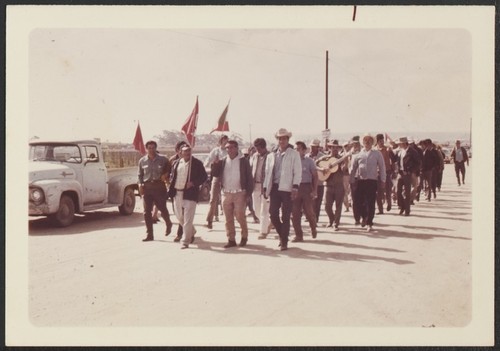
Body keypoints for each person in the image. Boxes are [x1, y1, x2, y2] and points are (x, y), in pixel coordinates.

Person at [263, 128, 302, 251]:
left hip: (287, 188)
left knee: (285, 216)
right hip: (274, 188)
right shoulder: (271, 155)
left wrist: (295, 187)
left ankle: (284, 242)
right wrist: (265, 187)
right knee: (273, 214)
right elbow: (267, 172)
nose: (282, 141)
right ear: (277, 140)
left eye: (284, 138)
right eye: (280, 138)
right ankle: (283, 236)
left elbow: (298, 171)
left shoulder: (294, 154)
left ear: (288, 139)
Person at [212, 140, 254, 248]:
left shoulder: (243, 161)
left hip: (240, 193)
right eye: (227, 148)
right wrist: (215, 164)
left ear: (236, 148)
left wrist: (248, 193)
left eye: (231, 147)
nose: (229, 150)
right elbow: (215, 174)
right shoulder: (223, 161)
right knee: (228, 218)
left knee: (240, 216)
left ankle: (244, 236)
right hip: (226, 193)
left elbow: (250, 178)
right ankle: (231, 239)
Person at [169, 144, 208, 249]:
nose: (187, 153)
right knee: (179, 216)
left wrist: (193, 183)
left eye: (189, 151)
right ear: (180, 152)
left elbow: (204, 177)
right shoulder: (176, 163)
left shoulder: (197, 163)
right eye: (184, 151)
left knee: (188, 219)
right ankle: (192, 230)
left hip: (190, 194)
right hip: (177, 193)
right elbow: (172, 176)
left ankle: (185, 240)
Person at [137, 140, 173, 242]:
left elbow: (170, 169)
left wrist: (166, 174)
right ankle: (150, 235)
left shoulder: (163, 159)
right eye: (149, 148)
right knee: (146, 212)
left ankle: (168, 223)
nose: (151, 150)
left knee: (162, 209)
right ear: (146, 148)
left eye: (153, 148)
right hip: (147, 188)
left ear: (156, 148)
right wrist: (140, 185)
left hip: (159, 187)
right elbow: (140, 175)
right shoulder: (142, 161)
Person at [349, 134, 386, 232]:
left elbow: (382, 167)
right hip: (360, 181)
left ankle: (369, 222)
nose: (367, 142)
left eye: (369, 140)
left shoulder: (377, 154)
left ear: (372, 142)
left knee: (370, 202)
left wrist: (383, 180)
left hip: (372, 181)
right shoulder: (359, 154)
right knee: (358, 201)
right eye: (365, 140)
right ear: (363, 142)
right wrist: (351, 180)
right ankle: (363, 217)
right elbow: (353, 168)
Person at [291, 141, 318, 242]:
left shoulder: (309, 161)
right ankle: (299, 235)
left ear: (304, 150)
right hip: (295, 188)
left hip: (306, 188)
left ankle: (313, 227)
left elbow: (315, 176)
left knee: (309, 211)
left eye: (298, 149)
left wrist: (315, 190)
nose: (296, 151)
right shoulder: (291, 161)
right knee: (295, 213)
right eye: (295, 149)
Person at [317, 139, 347, 231]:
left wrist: (345, 162)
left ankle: (335, 224)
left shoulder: (341, 158)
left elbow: (344, 170)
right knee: (327, 206)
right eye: (332, 147)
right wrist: (322, 168)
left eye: (336, 147)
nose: (334, 149)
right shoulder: (324, 158)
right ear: (329, 148)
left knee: (338, 206)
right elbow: (315, 164)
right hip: (328, 185)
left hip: (339, 185)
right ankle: (331, 219)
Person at [250, 138, 272, 239]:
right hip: (255, 185)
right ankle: (268, 223)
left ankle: (263, 231)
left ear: (263, 147)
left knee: (264, 210)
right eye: (256, 148)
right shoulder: (254, 156)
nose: (257, 150)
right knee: (256, 209)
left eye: (258, 148)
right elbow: (251, 169)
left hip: (266, 186)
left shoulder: (271, 156)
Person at [205, 135, 228, 228]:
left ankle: (229, 220)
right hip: (217, 176)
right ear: (220, 141)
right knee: (213, 199)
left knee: (227, 199)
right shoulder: (216, 151)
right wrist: (213, 162)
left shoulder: (229, 151)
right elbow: (207, 161)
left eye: (227, 141)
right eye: (224, 141)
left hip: (227, 177)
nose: (225, 143)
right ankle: (209, 220)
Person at [395, 137, 420, 216]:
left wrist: (410, 171)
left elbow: (418, 163)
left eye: (400, 143)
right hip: (401, 173)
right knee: (397, 191)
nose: (399, 145)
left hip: (408, 174)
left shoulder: (412, 152)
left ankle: (407, 210)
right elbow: (398, 162)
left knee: (407, 192)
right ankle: (402, 206)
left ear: (404, 143)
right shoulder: (400, 151)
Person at [169, 140, 188, 242]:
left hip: (187, 193)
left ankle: (181, 234)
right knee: (177, 213)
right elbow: (167, 174)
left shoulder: (191, 161)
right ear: (177, 150)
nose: (183, 152)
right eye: (181, 149)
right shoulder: (172, 161)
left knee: (185, 213)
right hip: (175, 191)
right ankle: (190, 230)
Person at [306, 139, 326, 222]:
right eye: (311, 146)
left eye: (314, 147)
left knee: (317, 202)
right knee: (309, 201)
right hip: (308, 182)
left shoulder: (323, 157)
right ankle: (309, 216)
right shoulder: (307, 156)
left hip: (319, 182)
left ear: (317, 147)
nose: (312, 148)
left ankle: (315, 218)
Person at [375, 133, 395, 214]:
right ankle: (380, 209)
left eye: (382, 140)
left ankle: (389, 203)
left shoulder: (387, 149)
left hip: (387, 172)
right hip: (377, 173)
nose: (382, 142)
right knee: (378, 192)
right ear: (377, 142)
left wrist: (394, 171)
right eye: (380, 141)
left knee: (388, 189)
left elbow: (394, 160)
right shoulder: (374, 151)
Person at [349, 136, 362, 225]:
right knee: (355, 199)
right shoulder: (350, 153)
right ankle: (357, 218)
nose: (355, 145)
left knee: (363, 199)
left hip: (363, 178)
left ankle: (364, 216)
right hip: (354, 178)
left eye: (357, 143)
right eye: (354, 143)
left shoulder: (363, 153)